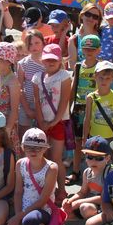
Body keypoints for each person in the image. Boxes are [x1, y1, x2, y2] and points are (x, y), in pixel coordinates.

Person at [3, 128, 59, 225]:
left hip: (42, 210)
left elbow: (43, 200)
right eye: (29, 147)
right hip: (22, 210)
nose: (33, 151)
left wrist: (19, 217)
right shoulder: (20, 164)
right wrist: (18, 215)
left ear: (45, 148)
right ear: (23, 147)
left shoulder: (51, 168)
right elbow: (18, 192)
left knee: (30, 220)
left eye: (38, 147)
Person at [33, 43, 72, 201]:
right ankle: (46, 188)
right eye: (47, 60)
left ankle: (61, 189)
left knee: (56, 158)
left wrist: (55, 121)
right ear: (42, 60)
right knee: (43, 158)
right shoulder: (38, 77)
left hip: (58, 123)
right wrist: (41, 120)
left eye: (54, 60)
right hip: (42, 123)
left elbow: (64, 101)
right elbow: (37, 101)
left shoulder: (64, 76)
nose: (50, 63)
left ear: (60, 60)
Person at [70, 34, 101, 179]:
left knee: (93, 142)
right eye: (86, 48)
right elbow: (73, 87)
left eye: (92, 49)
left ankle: (94, 174)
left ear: (98, 50)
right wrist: (68, 108)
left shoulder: (100, 67)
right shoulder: (78, 66)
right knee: (78, 141)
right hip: (79, 108)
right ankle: (76, 171)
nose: (89, 52)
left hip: (95, 108)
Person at [62, 136, 112, 222]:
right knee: (65, 211)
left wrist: (78, 203)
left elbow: (104, 198)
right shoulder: (87, 172)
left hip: (105, 205)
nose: (93, 161)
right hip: (90, 202)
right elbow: (83, 192)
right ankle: (83, 219)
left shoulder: (109, 173)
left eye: (99, 158)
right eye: (90, 157)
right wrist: (70, 201)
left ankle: (97, 221)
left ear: (107, 158)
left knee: (85, 208)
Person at [82, 61, 113, 144]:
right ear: (95, 77)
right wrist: (84, 137)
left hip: (111, 137)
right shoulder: (91, 97)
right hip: (94, 137)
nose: (104, 81)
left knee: (109, 157)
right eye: (101, 78)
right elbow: (87, 119)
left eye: (107, 78)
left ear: (112, 79)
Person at [17, 30, 46, 131]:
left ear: (43, 43)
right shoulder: (23, 63)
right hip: (27, 105)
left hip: (45, 106)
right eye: (30, 44)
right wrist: (27, 110)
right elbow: (19, 88)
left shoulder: (49, 62)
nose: (34, 46)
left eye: (37, 43)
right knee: (24, 135)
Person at [67, 3, 102, 69]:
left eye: (95, 17)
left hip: (103, 77)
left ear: (98, 21)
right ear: (82, 15)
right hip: (83, 78)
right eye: (88, 14)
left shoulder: (103, 35)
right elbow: (73, 66)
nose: (91, 18)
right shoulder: (74, 40)